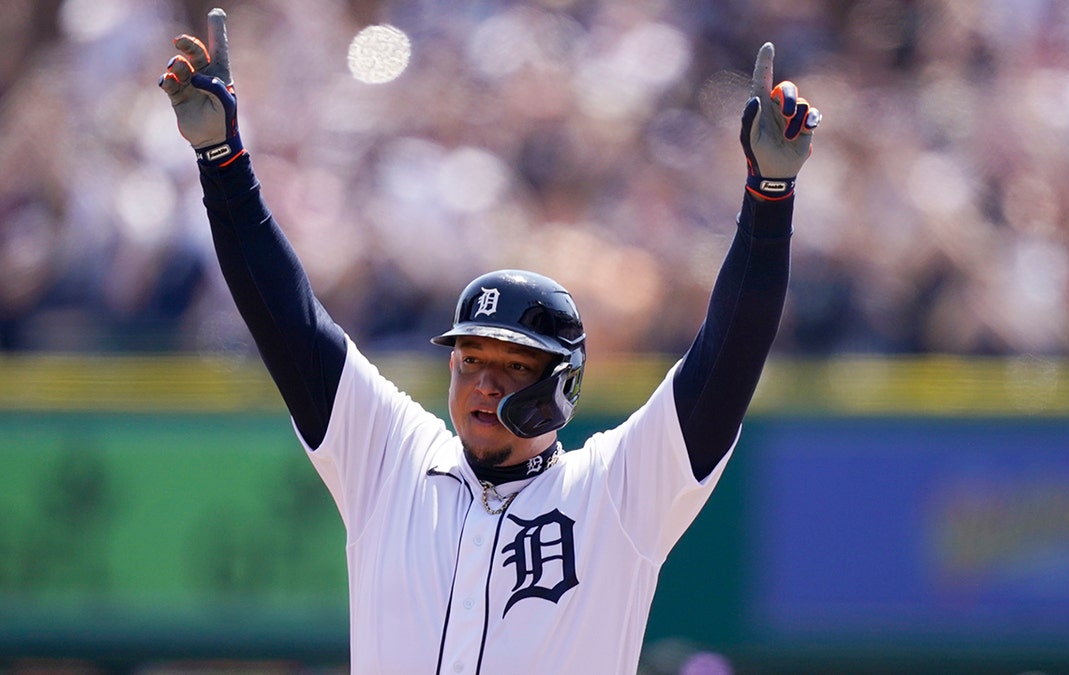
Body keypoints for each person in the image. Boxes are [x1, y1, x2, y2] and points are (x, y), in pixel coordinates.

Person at [159, 8, 819, 673]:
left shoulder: (614, 493)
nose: (482, 381)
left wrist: (770, 198)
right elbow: (287, 320)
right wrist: (223, 162)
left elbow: (726, 357)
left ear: (562, 384)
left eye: (511, 364)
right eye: (471, 358)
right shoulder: (391, 460)